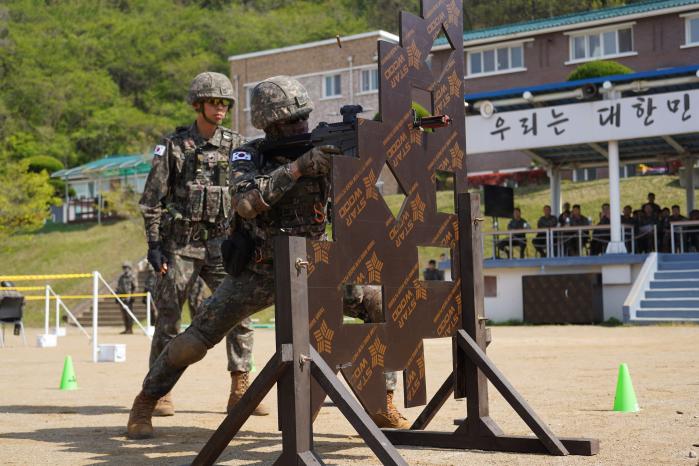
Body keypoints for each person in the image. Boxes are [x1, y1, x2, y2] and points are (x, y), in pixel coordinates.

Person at [127, 75, 407, 439]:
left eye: (303, 119)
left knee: (378, 304)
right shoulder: (248, 153)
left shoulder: (323, 150)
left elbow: (353, 205)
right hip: (260, 270)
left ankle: (382, 401)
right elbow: (245, 203)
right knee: (195, 339)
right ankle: (148, 398)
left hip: (316, 267)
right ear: (270, 126)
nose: (300, 127)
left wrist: (355, 158)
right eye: (291, 122)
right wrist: (298, 168)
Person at [137, 71, 266, 419]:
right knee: (168, 319)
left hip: (225, 246)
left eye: (225, 102)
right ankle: (159, 391)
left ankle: (241, 386)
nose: (221, 108)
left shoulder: (238, 146)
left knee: (240, 315)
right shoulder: (175, 147)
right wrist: (154, 245)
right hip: (180, 245)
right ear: (198, 105)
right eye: (214, 102)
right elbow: (152, 200)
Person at [342, 285, 409, 428]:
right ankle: (381, 404)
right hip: (316, 283)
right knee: (382, 302)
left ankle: (381, 404)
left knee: (393, 300)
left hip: (353, 282)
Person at [116, 261, 138, 334]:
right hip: (121, 298)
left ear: (129, 268)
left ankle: (130, 329)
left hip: (129, 298)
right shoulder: (121, 277)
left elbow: (135, 287)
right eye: (124, 268)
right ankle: (126, 328)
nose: (125, 269)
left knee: (129, 314)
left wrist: (132, 296)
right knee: (124, 314)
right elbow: (118, 287)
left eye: (126, 267)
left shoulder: (132, 277)